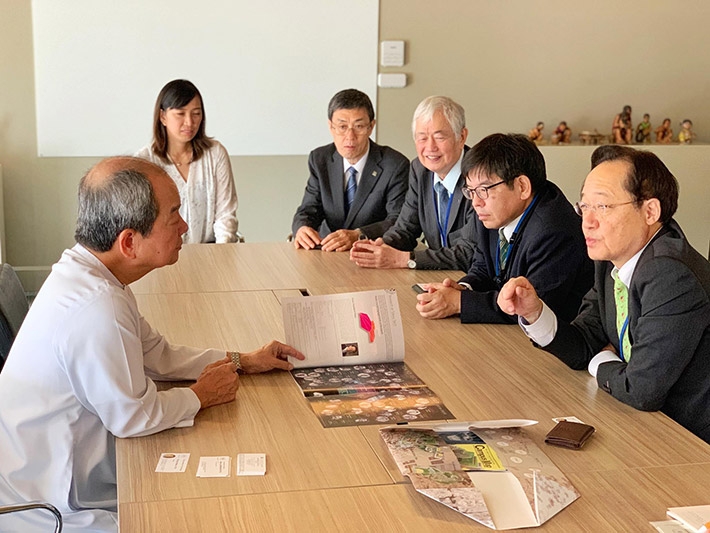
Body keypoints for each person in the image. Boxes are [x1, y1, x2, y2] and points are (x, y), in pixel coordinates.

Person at [0, 157, 304, 531]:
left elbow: (157, 355)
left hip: (59, 474)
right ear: (129, 242)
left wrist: (244, 359)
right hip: (52, 509)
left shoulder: (93, 275)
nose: (186, 226)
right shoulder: (96, 305)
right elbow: (131, 417)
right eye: (173, 215)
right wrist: (200, 395)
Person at [498, 145, 710, 443]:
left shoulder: (670, 274)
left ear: (650, 211)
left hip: (689, 443)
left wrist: (599, 364)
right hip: (645, 425)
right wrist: (534, 312)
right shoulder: (612, 261)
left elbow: (642, 389)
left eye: (603, 207)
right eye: (584, 207)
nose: (588, 221)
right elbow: (585, 343)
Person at [416, 133, 593, 323]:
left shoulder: (554, 231)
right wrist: (464, 288)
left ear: (522, 186)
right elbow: (483, 267)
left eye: (484, 189)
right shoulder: (492, 213)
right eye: (471, 191)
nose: (475, 202)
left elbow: (529, 307)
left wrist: (459, 302)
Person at [350, 96, 475, 271]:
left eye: (439, 137)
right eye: (422, 138)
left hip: (474, 280)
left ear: (461, 137)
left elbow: (468, 253)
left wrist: (405, 259)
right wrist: (382, 246)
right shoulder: (419, 169)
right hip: (437, 276)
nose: (430, 147)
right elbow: (406, 229)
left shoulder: (479, 175)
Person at [292, 89, 409, 251]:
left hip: (372, 252)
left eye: (359, 126)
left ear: (371, 127)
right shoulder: (320, 159)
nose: (350, 136)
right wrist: (302, 228)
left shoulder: (394, 165)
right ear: (331, 127)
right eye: (342, 126)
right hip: (327, 250)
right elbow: (309, 209)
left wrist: (359, 234)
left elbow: (398, 220)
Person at [136, 79, 239, 244]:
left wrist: (221, 251)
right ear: (162, 116)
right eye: (180, 114)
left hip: (211, 251)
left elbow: (225, 215)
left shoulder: (215, 153)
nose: (189, 122)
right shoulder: (145, 161)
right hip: (163, 255)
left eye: (196, 113)